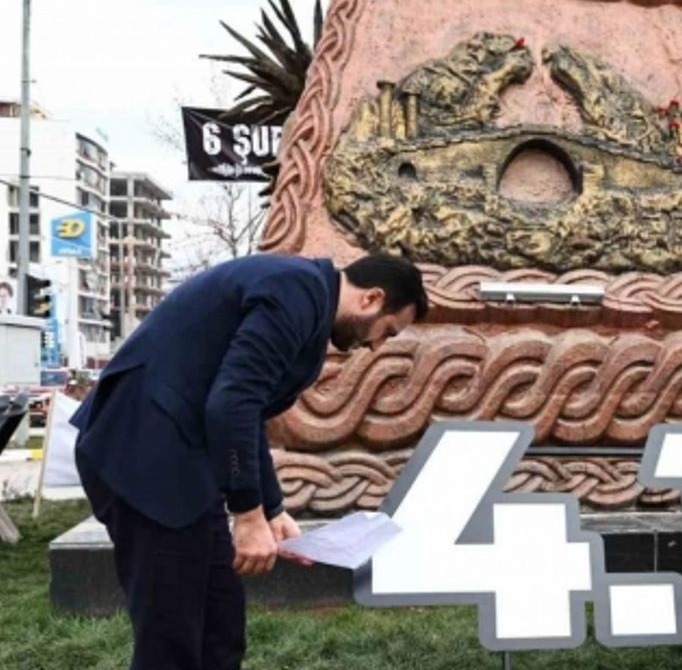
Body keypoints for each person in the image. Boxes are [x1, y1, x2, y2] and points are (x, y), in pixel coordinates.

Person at [73, 253, 428, 669]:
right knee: (171, 642)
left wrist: (272, 508)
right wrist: (247, 513)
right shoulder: (296, 292)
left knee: (220, 630)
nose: (375, 346)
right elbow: (231, 404)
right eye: (387, 332)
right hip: (142, 456)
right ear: (371, 299)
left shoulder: (306, 296)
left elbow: (246, 410)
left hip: (179, 460)